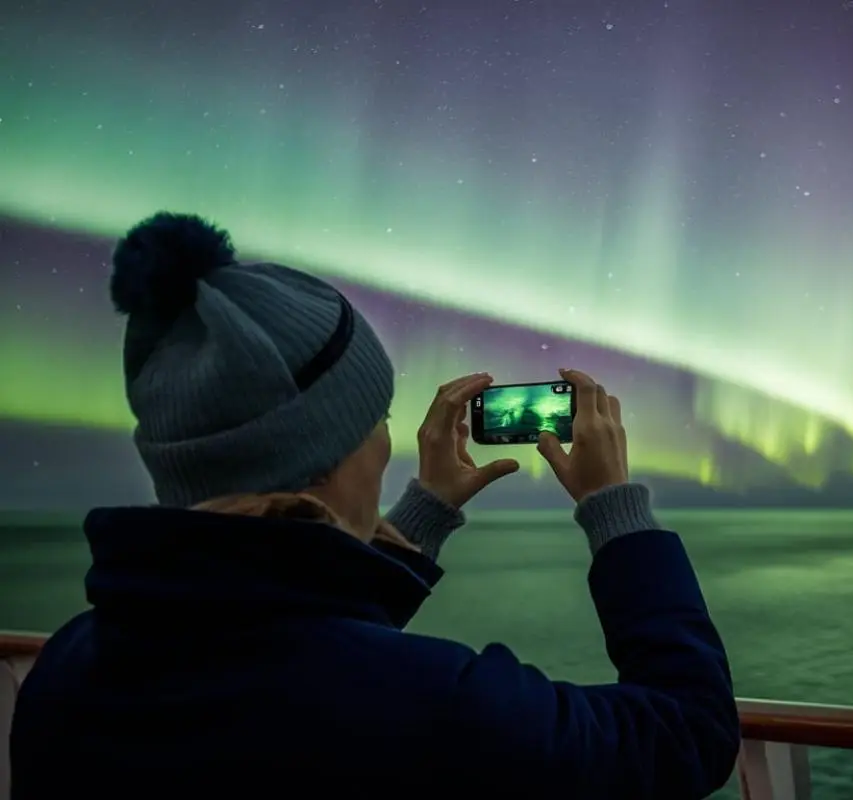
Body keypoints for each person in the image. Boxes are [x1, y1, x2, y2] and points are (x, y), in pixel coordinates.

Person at [9, 213, 740, 799]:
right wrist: (615, 513)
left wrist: (420, 521)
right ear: (330, 453)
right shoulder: (441, 706)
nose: (389, 442)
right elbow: (688, 733)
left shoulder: (65, 673)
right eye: (377, 418)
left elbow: (287, 640)